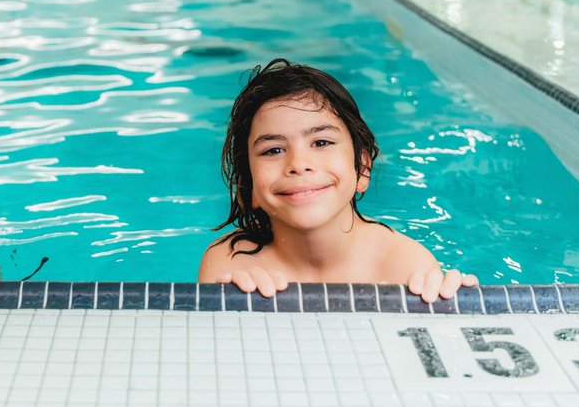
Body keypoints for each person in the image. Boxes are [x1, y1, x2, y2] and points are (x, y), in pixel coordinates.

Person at [198, 59, 477, 302]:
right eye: (273, 150)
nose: (299, 164)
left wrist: (452, 307)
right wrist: (240, 311)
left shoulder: (404, 267)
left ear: (362, 169)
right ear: (249, 187)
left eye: (321, 142)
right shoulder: (231, 263)